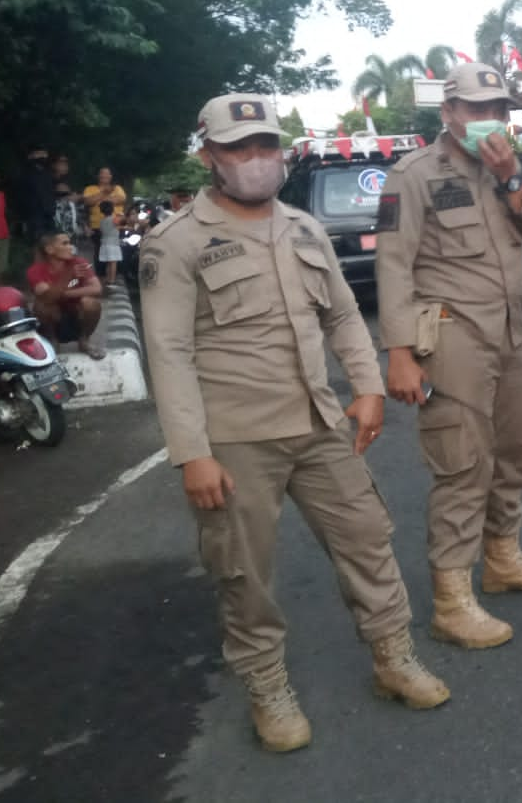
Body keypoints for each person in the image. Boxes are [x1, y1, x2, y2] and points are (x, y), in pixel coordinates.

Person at [141, 93, 448, 753]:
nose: (255, 160)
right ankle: (267, 688)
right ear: (209, 156)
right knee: (244, 572)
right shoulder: (176, 244)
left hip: (319, 422)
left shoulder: (304, 228)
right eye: (238, 148)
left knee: (368, 539)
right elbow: (168, 350)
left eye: (264, 146)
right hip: (235, 438)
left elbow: (341, 315)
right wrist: (191, 451)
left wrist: (366, 387)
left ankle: (393, 658)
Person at [375, 61, 522, 651]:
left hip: (510, 331)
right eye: (477, 109)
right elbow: (392, 265)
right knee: (462, 461)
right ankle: (453, 599)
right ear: (449, 113)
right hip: (452, 332)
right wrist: (400, 353)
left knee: (514, 445)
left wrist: (511, 179)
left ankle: (503, 557)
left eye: (498, 110)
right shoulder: (413, 175)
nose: (489, 120)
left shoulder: (507, 166)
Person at [26, 232, 104, 359]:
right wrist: (69, 276)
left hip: (76, 314)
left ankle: (84, 341)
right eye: (65, 243)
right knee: (40, 306)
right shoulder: (36, 270)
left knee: (91, 303)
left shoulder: (79, 262)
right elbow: (47, 297)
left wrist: (66, 293)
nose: (71, 247)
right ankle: (52, 341)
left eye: (70, 242)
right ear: (50, 250)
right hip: (54, 317)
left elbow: (97, 288)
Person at [11, 146, 56, 240]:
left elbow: (50, 193)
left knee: (51, 243)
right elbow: (19, 196)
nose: (43, 156)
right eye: (40, 154)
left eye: (45, 154)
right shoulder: (24, 173)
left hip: (48, 215)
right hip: (33, 216)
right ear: (31, 156)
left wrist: (51, 209)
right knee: (37, 244)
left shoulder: (47, 174)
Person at [82, 167, 127, 259]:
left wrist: (98, 199)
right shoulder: (90, 189)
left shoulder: (117, 188)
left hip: (117, 226)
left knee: (116, 252)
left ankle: (115, 272)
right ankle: (100, 273)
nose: (104, 175)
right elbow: (88, 202)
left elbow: (121, 199)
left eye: (107, 173)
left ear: (110, 176)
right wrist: (104, 193)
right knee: (100, 252)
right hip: (97, 226)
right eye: (102, 173)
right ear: (98, 176)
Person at [96, 201, 123, 285]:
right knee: (113, 262)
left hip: (104, 243)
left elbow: (101, 231)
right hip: (113, 243)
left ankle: (108, 278)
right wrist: (121, 215)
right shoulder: (115, 219)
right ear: (112, 209)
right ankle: (112, 279)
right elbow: (121, 223)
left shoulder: (102, 221)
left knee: (108, 262)